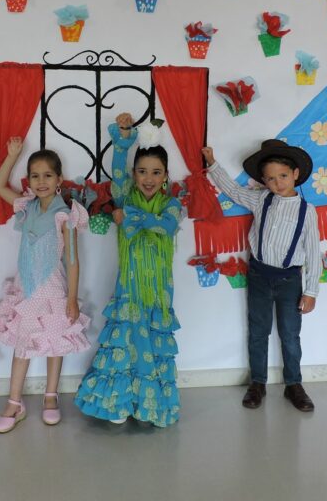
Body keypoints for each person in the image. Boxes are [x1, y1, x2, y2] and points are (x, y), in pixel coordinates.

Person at [76, 113, 183, 427]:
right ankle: (119, 402)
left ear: (165, 176)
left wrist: (131, 217)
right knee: (127, 341)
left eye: (155, 172)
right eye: (142, 171)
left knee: (150, 342)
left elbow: (166, 226)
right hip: (130, 287)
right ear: (134, 175)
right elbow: (117, 171)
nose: (148, 178)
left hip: (160, 291)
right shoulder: (123, 195)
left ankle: (148, 405)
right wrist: (124, 138)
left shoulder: (171, 204)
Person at [202, 139, 321, 412]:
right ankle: (257, 382)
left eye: (282, 176)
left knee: (290, 334)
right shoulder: (261, 200)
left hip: (290, 280)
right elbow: (231, 190)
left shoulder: (307, 211)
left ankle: (294, 384)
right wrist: (212, 163)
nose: (277, 183)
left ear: (295, 175)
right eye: (270, 178)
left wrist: (311, 291)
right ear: (264, 182)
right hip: (258, 276)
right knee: (258, 331)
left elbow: (314, 252)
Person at [0, 138, 90, 433]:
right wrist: (12, 154)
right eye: (35, 176)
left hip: (54, 290)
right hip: (26, 289)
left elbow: (72, 261)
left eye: (47, 175)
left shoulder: (65, 215)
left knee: (55, 343)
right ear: (29, 180)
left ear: (58, 179)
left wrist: (72, 299)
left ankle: (51, 396)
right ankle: (15, 402)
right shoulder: (27, 208)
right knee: (22, 343)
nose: (41, 181)